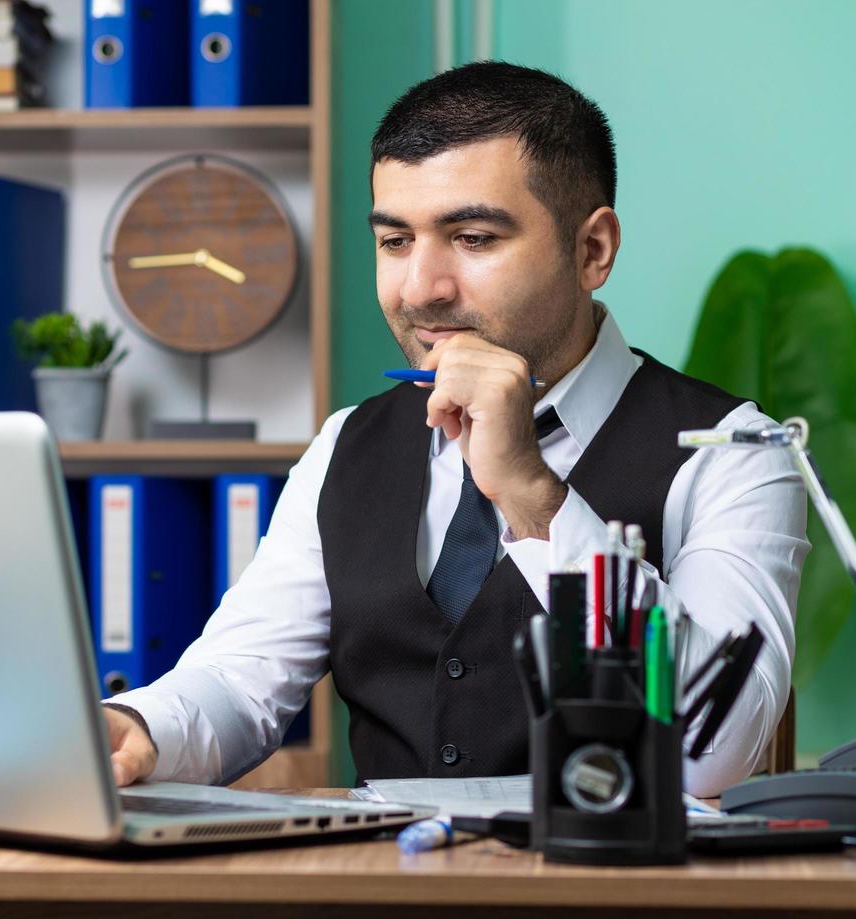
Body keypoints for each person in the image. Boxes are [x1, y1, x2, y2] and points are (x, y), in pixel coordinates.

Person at [101, 62, 808, 798]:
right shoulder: (348, 444)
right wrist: (138, 729)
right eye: (396, 241)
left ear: (592, 250)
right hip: (389, 896)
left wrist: (535, 499)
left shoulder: (734, 452)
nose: (420, 289)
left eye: (472, 238)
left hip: (612, 901)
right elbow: (240, 681)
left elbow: (712, 748)